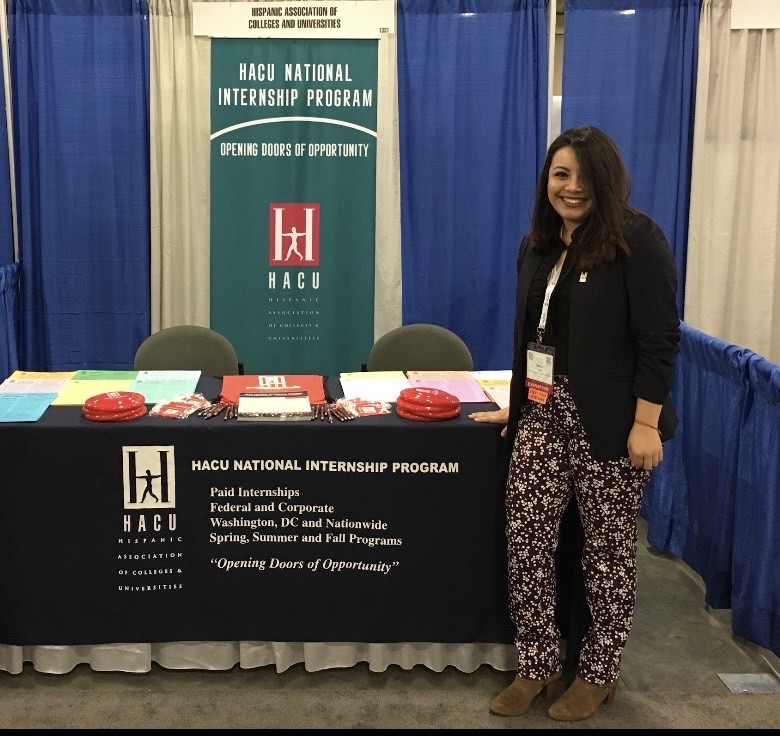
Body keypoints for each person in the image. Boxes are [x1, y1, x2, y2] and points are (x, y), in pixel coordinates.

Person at [469, 125, 680, 722]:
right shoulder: (536, 244)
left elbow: (660, 341)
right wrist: (522, 401)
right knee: (528, 543)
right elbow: (535, 340)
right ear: (547, 180)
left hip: (611, 423)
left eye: (585, 176)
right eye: (561, 174)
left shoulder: (637, 241)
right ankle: (536, 665)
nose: (572, 187)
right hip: (541, 415)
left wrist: (646, 422)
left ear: (608, 180)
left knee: (607, 553)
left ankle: (598, 672)